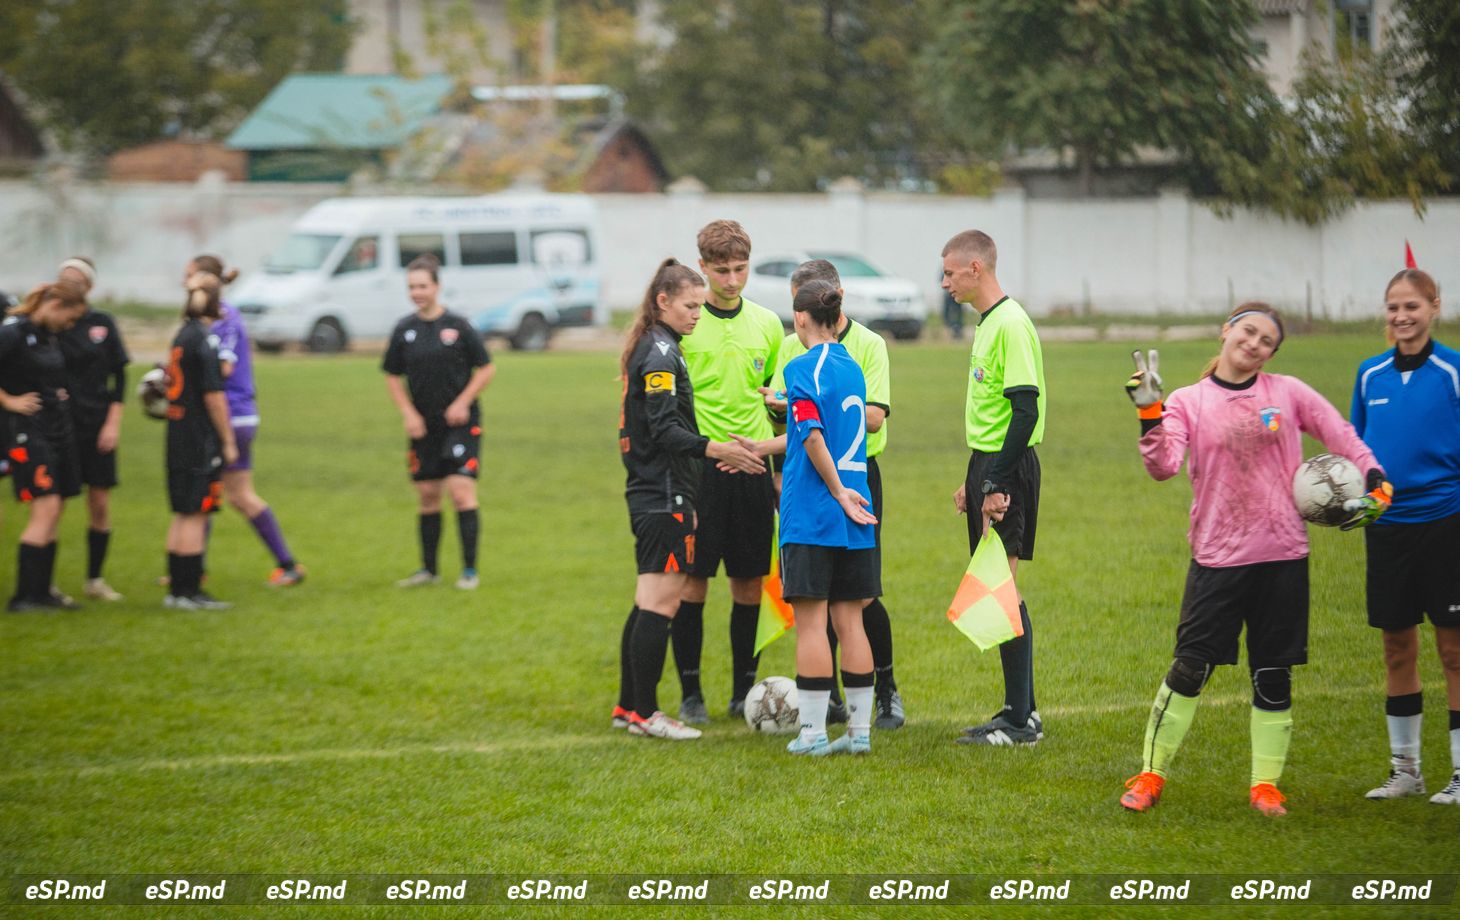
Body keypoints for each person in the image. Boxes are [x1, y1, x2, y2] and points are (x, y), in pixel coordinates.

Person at [1119, 303, 1391, 817]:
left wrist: (1373, 474)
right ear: (1226, 332)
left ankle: (1265, 786)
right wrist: (1149, 411)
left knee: (1273, 673)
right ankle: (1151, 775)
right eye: (1248, 331)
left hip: (1283, 553)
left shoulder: (1286, 393)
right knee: (1190, 669)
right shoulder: (1188, 401)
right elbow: (1162, 466)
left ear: (1271, 352)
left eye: (1266, 340)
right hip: (1219, 555)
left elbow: (1339, 433)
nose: (1254, 343)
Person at [613, 258, 766, 740]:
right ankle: (645, 713)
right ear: (663, 302)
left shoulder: (658, 344)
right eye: (690, 305)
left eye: (700, 306)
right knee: (660, 603)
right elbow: (663, 429)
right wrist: (716, 448)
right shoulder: (660, 353)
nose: (698, 314)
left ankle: (627, 707)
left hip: (654, 489)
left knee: (646, 602)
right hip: (664, 492)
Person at [764, 259, 904, 730]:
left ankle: (813, 732)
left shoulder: (802, 366)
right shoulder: (851, 366)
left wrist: (837, 491)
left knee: (812, 620)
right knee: (850, 615)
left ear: (801, 317)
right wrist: (764, 444)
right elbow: (826, 424)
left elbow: (812, 434)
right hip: (856, 493)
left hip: (818, 499)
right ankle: (860, 731)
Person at [1350, 268, 1460, 806]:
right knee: (1397, 648)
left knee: (1453, 649)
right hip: (1388, 529)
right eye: (1393, 307)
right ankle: (1406, 771)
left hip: (1447, 523)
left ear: (1434, 307)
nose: (1401, 316)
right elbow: (1359, 453)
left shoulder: (1453, 371)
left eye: (1412, 306)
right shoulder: (1370, 375)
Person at [674, 220, 784, 722]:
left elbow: (779, 404)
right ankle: (690, 694)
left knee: (747, 585)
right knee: (692, 585)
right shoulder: (687, 327)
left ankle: (744, 692)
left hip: (753, 472)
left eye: (741, 269)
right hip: (700, 473)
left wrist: (777, 467)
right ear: (702, 268)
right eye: (722, 271)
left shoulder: (767, 324)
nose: (733, 280)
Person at [943, 230, 1047, 746]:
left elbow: (1024, 410)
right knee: (999, 585)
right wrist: (974, 478)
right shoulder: (987, 324)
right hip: (988, 461)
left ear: (976, 269)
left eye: (950, 273)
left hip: (1007, 466)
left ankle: (1019, 722)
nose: (945, 283)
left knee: (1001, 587)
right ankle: (1020, 709)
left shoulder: (1010, 324)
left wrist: (996, 481)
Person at [187, 255, 304, 587]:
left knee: (216, 491)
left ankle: (192, 568)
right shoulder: (215, 319)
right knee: (227, 493)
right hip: (235, 414)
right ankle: (194, 566)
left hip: (230, 415)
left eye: (189, 277)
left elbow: (221, 369)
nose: (185, 284)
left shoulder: (224, 319)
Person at [383, 254, 495, 589]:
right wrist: (408, 413)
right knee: (428, 494)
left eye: (422, 286)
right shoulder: (404, 330)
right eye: (411, 287)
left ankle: (470, 571)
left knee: (461, 492)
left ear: (437, 287)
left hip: (460, 422)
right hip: (423, 425)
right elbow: (391, 375)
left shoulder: (459, 326)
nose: (417, 292)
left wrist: (463, 401)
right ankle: (428, 570)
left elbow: (487, 368)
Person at [1, 281, 89, 611]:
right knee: (46, 506)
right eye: (69, 319)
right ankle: (24, 596)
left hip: (56, 427)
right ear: (55, 305)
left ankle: (43, 592)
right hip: (27, 431)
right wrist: (8, 400)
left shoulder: (47, 333)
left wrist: (57, 392)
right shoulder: (12, 331)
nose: (70, 327)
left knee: (57, 507)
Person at [55, 257, 130, 601]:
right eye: (64, 277)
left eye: (76, 278)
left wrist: (112, 423)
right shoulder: (51, 323)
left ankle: (94, 579)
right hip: (59, 425)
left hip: (97, 423)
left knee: (99, 502)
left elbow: (120, 375)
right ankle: (43, 582)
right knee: (53, 503)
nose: (70, 283)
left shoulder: (102, 323)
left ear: (89, 286)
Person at [163, 272, 239, 610]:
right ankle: (190, 591)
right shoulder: (206, 340)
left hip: (176, 433)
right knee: (196, 513)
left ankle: (175, 591)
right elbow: (214, 397)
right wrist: (228, 440)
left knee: (182, 512)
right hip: (197, 436)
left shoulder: (181, 334)